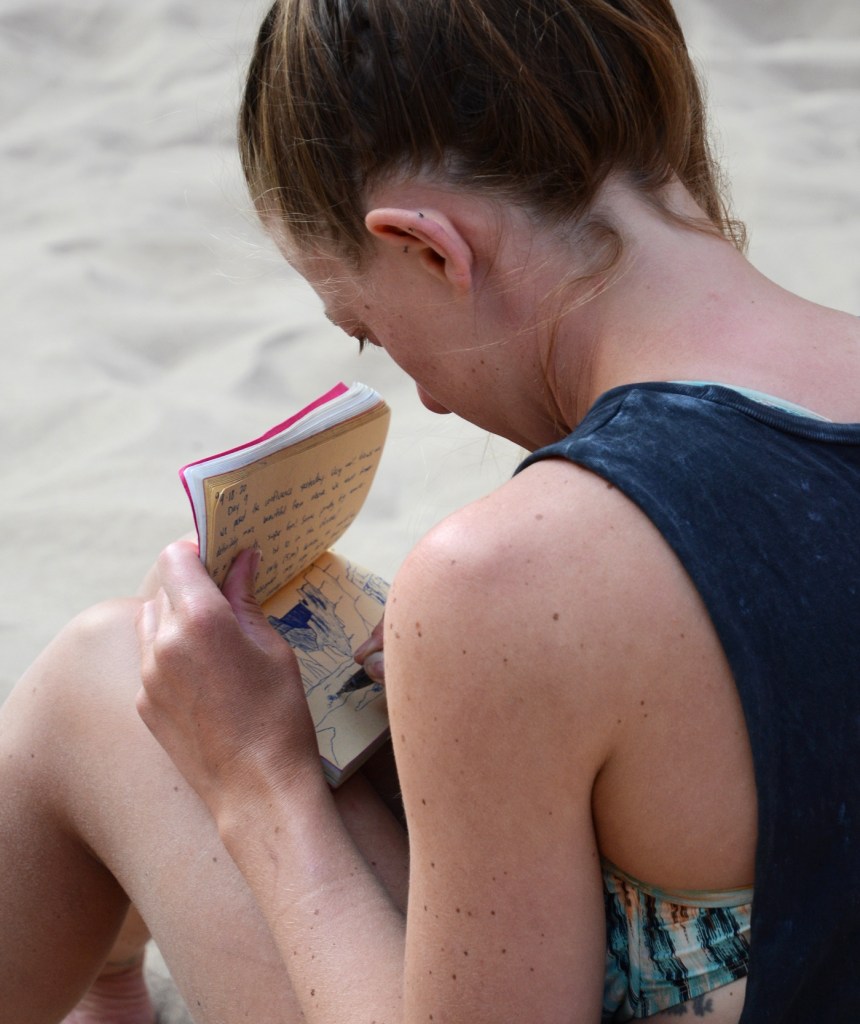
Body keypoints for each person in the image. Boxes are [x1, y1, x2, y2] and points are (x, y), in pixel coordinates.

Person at [1, 1, 858, 1021]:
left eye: (368, 328)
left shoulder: (514, 577)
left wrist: (254, 780)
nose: (431, 398)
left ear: (430, 248)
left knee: (103, 678)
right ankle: (109, 979)